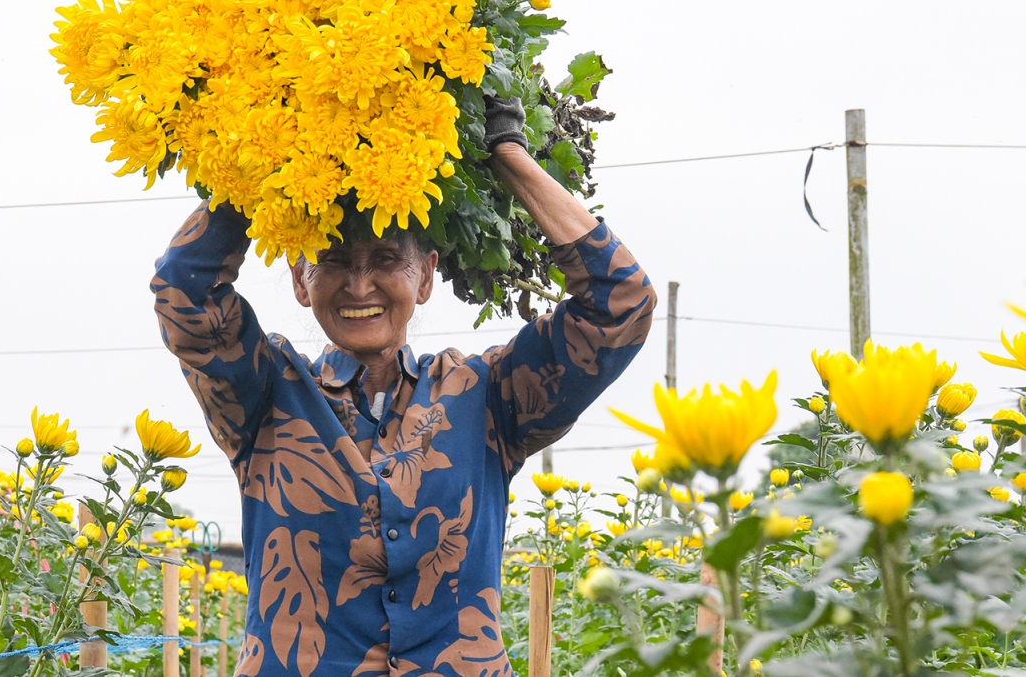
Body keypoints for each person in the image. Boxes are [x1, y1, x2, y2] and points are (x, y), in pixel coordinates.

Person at [151, 99, 656, 677]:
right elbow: (183, 293)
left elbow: (621, 302)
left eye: (388, 259)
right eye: (333, 260)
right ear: (299, 279)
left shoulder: (488, 399)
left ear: (426, 277)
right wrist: (268, 149)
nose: (360, 283)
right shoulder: (263, 397)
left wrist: (507, 153)